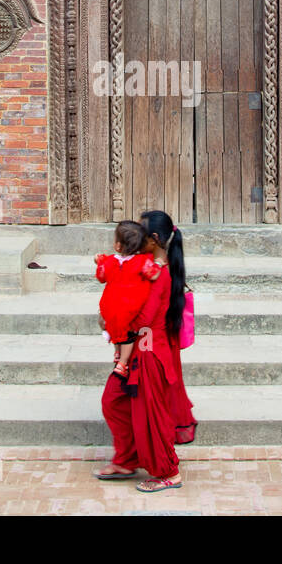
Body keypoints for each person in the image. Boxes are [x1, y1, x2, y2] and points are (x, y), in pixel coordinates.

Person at [97, 209, 197, 493]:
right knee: (114, 402)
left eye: (142, 233)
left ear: (153, 239)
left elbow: (144, 318)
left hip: (149, 352)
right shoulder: (145, 265)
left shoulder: (159, 274)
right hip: (138, 347)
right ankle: (126, 459)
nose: (137, 237)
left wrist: (112, 321)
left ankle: (169, 472)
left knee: (153, 416)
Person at [95, 221, 162, 379]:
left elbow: (101, 277)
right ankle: (123, 363)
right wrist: (158, 263)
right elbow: (154, 274)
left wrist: (99, 263)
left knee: (114, 327)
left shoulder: (110, 261)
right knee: (127, 336)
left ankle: (117, 353)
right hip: (129, 307)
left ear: (118, 246)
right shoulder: (142, 262)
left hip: (109, 305)